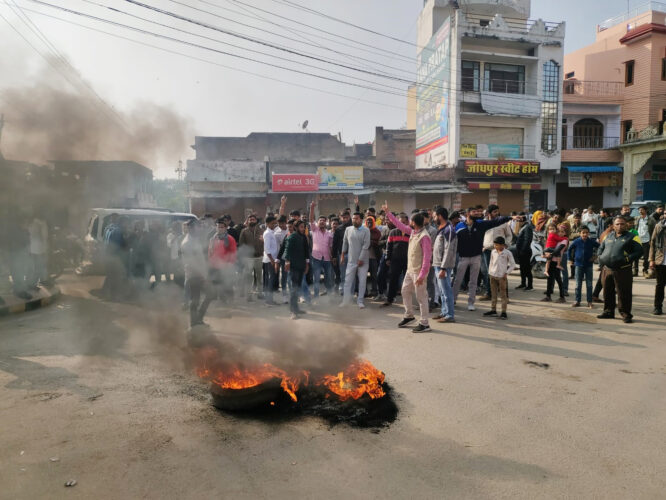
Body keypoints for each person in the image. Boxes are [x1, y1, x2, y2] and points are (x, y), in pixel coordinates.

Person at [452, 208, 515, 311]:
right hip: (463, 257)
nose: (478, 213)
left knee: (473, 281)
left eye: (478, 212)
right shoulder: (459, 226)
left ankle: (471, 303)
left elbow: (495, 222)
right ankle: (453, 300)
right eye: (475, 212)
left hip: (476, 257)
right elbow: (454, 242)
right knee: (457, 280)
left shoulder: (480, 224)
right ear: (468, 214)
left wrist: (510, 217)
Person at [383, 204, 432, 333]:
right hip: (411, 270)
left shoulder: (424, 237)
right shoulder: (414, 232)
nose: (408, 222)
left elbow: (427, 259)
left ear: (414, 222)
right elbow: (399, 225)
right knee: (405, 291)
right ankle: (409, 315)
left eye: (410, 220)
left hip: (419, 272)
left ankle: (425, 323)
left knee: (421, 297)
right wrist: (388, 213)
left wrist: (422, 276)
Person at [597, 217, 644, 323]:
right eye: (617, 224)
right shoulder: (608, 236)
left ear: (626, 225)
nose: (619, 226)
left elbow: (639, 251)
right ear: (613, 225)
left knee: (624, 293)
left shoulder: (632, 237)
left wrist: (627, 259)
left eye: (622, 224)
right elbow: (601, 247)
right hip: (607, 269)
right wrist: (600, 256)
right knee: (607, 292)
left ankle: (626, 314)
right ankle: (608, 312)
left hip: (622, 270)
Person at [181, 220, 212, 327]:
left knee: (200, 297)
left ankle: (197, 320)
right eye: (198, 227)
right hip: (194, 275)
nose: (200, 229)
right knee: (196, 298)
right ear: (191, 228)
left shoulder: (195, 239)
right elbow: (192, 263)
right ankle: (195, 321)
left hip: (199, 274)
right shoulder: (187, 243)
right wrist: (204, 276)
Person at [480, 204, 513, 301]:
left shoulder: (503, 223)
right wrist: (482, 246)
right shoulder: (484, 223)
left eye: (497, 211)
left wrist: (506, 245)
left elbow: (509, 235)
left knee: (502, 272)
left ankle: (505, 296)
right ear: (489, 213)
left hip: (499, 251)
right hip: (487, 251)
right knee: (487, 272)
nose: (497, 213)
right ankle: (488, 293)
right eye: (494, 212)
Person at [432, 208, 458, 324]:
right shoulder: (442, 229)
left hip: (444, 266)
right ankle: (444, 312)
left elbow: (449, 250)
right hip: (438, 264)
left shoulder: (449, 230)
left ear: (440, 216)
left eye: (434, 216)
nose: (433, 218)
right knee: (442, 291)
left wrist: (443, 268)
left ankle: (449, 315)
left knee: (446, 290)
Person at [340, 212, 371, 309]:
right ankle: (345, 301)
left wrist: (361, 259)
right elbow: (345, 242)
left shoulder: (366, 230)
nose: (354, 220)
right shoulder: (348, 229)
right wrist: (342, 254)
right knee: (347, 281)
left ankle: (360, 301)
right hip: (351, 260)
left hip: (363, 261)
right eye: (353, 218)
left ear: (361, 220)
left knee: (362, 281)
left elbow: (366, 246)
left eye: (356, 218)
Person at [483, 236, 516, 320]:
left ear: (502, 245)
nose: (495, 246)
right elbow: (491, 262)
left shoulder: (507, 253)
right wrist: (490, 272)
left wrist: (506, 273)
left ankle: (503, 312)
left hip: (502, 276)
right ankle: (493, 310)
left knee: (503, 295)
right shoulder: (493, 252)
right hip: (493, 275)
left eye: (497, 245)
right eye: (495, 245)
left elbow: (513, 264)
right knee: (493, 294)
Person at [208, 217, 237, 312]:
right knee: (217, 285)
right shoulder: (213, 239)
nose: (219, 229)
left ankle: (231, 302)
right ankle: (221, 301)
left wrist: (230, 264)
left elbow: (233, 253)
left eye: (221, 227)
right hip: (215, 266)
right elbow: (210, 252)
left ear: (225, 228)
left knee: (227, 285)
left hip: (226, 266)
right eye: (218, 227)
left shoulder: (230, 239)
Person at [283, 220, 310, 319]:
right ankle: (292, 311)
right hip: (294, 266)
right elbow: (287, 250)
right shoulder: (292, 237)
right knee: (294, 289)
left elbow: (307, 252)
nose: (303, 229)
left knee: (297, 288)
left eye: (304, 227)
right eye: (301, 227)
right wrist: (287, 261)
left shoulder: (303, 237)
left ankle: (297, 308)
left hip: (301, 266)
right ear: (296, 227)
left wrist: (307, 264)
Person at [382, 212, 410, 307]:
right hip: (395, 260)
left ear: (407, 222)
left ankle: (407, 301)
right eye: (400, 222)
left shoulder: (411, 232)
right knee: (393, 279)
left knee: (408, 282)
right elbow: (388, 246)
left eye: (404, 222)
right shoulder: (393, 232)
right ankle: (390, 299)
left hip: (408, 261)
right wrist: (388, 258)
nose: (402, 224)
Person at [569, 226, 599, 308]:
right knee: (578, 284)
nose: (585, 234)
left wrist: (595, 256)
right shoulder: (576, 241)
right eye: (583, 233)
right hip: (578, 265)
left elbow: (600, 247)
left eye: (586, 233)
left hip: (588, 265)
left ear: (589, 233)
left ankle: (589, 301)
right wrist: (570, 259)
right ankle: (577, 301)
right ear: (580, 233)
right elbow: (569, 249)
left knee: (589, 284)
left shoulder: (591, 241)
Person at [309, 207, 334, 299]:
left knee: (328, 278)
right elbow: (311, 219)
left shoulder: (329, 234)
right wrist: (312, 208)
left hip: (327, 259)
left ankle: (329, 296)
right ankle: (316, 296)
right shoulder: (314, 230)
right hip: (316, 258)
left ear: (326, 222)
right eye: (320, 220)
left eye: (323, 220)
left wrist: (332, 257)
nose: (322, 222)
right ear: (318, 222)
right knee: (316, 279)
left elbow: (330, 247)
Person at [238, 214, 264, 301]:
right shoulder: (244, 231)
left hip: (259, 257)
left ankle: (260, 293)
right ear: (248, 221)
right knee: (248, 277)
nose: (252, 221)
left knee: (259, 277)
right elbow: (241, 245)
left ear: (256, 221)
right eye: (250, 219)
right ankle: (248, 295)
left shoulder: (261, 231)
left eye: (253, 219)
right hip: (248, 258)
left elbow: (265, 243)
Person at [541, 224, 569, 303]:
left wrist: (550, 254)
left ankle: (562, 297)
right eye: (559, 231)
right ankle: (548, 296)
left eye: (562, 232)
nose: (560, 233)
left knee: (558, 279)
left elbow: (558, 250)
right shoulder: (557, 239)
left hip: (557, 261)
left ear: (565, 233)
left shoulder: (565, 240)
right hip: (551, 260)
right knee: (549, 279)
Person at [649, 217, 666, 315]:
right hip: (661, 260)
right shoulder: (659, 226)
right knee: (660, 286)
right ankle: (657, 307)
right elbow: (652, 243)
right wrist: (651, 259)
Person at [261, 215, 279, 306]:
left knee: (271, 279)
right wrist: (272, 260)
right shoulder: (267, 233)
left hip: (272, 259)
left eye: (275, 223)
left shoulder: (271, 232)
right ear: (267, 224)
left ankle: (269, 299)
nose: (274, 225)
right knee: (270, 280)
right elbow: (267, 249)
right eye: (272, 223)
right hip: (269, 260)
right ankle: (269, 300)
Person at [333, 211, 352, 294]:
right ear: (341, 218)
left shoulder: (353, 227)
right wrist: (334, 256)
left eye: (346, 217)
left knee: (351, 274)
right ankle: (342, 290)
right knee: (343, 273)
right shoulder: (338, 229)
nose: (344, 219)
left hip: (353, 255)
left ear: (349, 217)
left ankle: (351, 291)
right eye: (343, 218)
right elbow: (335, 243)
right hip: (342, 255)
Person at [514, 212, 534, 290]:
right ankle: (523, 283)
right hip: (520, 251)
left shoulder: (527, 227)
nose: (517, 222)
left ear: (522, 219)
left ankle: (530, 285)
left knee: (527, 268)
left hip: (525, 251)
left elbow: (527, 240)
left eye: (518, 220)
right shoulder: (522, 227)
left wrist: (523, 250)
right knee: (522, 268)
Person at [27, 215, 48, 288]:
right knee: (35, 268)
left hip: (37, 249)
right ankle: (32, 285)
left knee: (37, 268)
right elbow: (43, 236)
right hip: (35, 250)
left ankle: (33, 284)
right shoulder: (38, 224)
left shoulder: (35, 224)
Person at [636, 206, 656, 278]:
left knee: (646, 257)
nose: (640, 211)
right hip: (638, 240)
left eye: (642, 210)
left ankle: (645, 271)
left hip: (647, 240)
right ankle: (635, 270)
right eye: (639, 210)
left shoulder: (651, 219)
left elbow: (654, 230)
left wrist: (652, 240)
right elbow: (636, 229)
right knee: (636, 256)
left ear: (646, 210)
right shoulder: (637, 219)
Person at [365, 215, 382, 298]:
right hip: (364, 258)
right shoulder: (363, 231)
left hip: (374, 257)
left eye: (371, 221)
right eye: (367, 221)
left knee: (374, 275)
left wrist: (370, 241)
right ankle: (364, 291)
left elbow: (378, 241)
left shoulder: (377, 232)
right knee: (363, 275)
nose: (369, 223)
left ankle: (374, 291)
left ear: (374, 222)